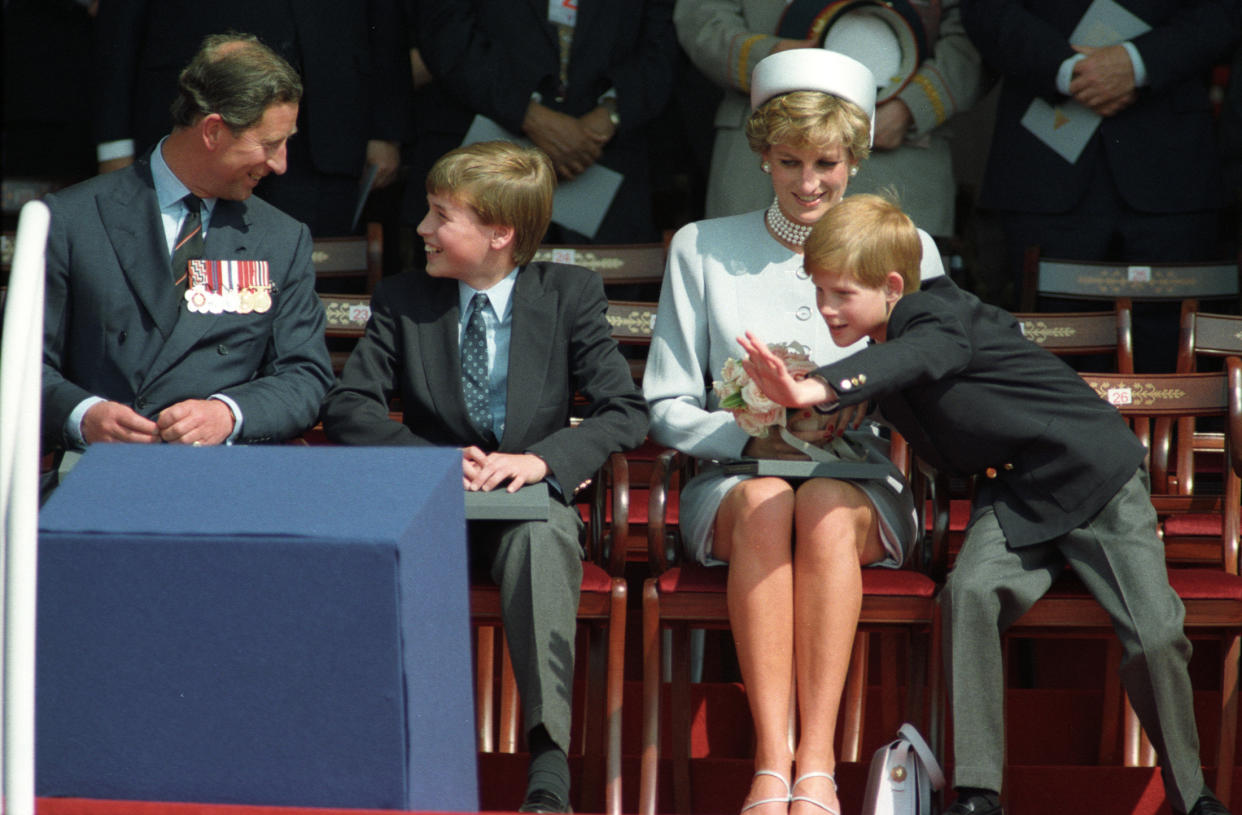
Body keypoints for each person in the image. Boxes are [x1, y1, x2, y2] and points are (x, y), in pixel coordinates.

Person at [737, 193, 1232, 815]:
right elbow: (894, 376)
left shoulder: (938, 313)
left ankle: (1195, 796)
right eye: (820, 291)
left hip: (1092, 479)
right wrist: (812, 407)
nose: (827, 307)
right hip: (1015, 494)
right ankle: (978, 792)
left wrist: (821, 385)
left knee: (1155, 634)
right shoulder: (884, 346)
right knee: (967, 595)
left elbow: (915, 356)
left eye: (842, 293)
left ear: (893, 286)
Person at [642, 49, 946, 815]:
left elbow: (939, 380)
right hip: (737, 481)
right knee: (774, 499)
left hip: (863, 482)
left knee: (821, 506)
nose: (809, 184)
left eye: (828, 163)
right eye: (789, 162)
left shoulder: (911, 247)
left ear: (856, 157)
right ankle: (770, 762)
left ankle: (817, 764)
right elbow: (668, 404)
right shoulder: (701, 247)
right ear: (762, 156)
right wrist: (752, 435)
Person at [321, 141, 649, 814]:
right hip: (428, 504)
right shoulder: (405, 298)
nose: (423, 229)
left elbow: (625, 410)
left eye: (442, 215)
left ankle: (548, 765)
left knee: (538, 541)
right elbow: (350, 407)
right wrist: (432, 460)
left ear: (501, 233)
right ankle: (382, 761)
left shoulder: (568, 294)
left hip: (526, 502)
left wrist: (543, 460)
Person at [42, 34, 333, 461]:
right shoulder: (72, 219)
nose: (280, 164)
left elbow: (304, 375)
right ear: (213, 130)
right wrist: (83, 416)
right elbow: (21, 364)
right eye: (269, 144)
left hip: (224, 477)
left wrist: (228, 415)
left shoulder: (281, 238)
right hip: (97, 472)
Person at [960, 0, 1242, 356]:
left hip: (1171, 164)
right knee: (1048, 356)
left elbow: (1223, 11)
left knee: (1170, 355)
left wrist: (1138, 63)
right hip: (1044, 163)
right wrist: (1065, 68)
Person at [91, 0, 413, 237]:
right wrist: (115, 144)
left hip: (325, 129)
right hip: (196, 120)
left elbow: (385, 20)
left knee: (310, 280)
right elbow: (119, 26)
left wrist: (385, 130)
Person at [674, 0, 987, 237]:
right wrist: (777, 61)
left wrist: (912, 107)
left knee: (891, 305)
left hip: (897, 148)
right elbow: (701, 16)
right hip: (760, 149)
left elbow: (975, 29)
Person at [404, 0, 678, 245]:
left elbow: (664, 40)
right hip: (484, 151)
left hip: (605, 163)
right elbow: (446, 32)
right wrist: (528, 114)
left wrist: (607, 117)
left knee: (604, 294)